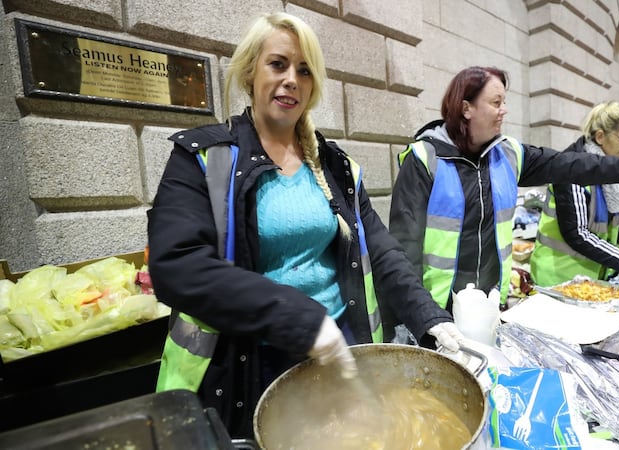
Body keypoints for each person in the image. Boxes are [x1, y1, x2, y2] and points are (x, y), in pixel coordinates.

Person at [146, 12, 463, 439]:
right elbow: (178, 266)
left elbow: (382, 250)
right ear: (249, 72)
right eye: (278, 64)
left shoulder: (335, 166)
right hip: (249, 370)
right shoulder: (204, 158)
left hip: (338, 355)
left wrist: (429, 317)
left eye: (305, 70)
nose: (292, 79)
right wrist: (302, 319)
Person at [388, 68, 619, 306]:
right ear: (466, 108)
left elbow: (573, 165)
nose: (504, 110)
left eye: (505, 102)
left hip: (490, 301)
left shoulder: (508, 154)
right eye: (496, 102)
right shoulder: (424, 159)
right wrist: (420, 316)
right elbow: (403, 248)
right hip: (440, 305)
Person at [529, 101, 619, 287]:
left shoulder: (609, 171)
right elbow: (578, 233)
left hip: (591, 277)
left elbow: (611, 222)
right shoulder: (572, 168)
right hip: (560, 276)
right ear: (600, 137)